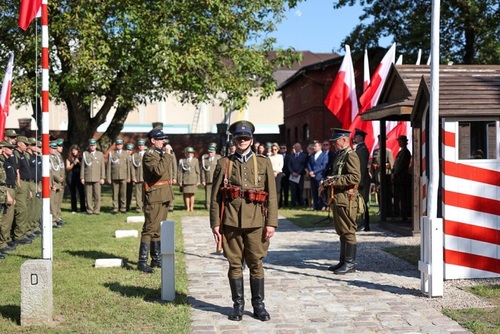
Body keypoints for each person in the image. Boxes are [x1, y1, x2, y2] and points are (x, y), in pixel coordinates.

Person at [210, 120, 278, 322]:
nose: (242, 140)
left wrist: (271, 223)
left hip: (257, 222)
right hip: (231, 222)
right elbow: (215, 197)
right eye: (239, 137)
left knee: (256, 263)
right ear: (234, 139)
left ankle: (259, 306)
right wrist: (215, 223)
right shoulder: (224, 163)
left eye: (246, 137)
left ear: (252, 139)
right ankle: (238, 306)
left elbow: (272, 195)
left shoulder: (264, 162)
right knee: (234, 264)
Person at [137, 127, 174, 273]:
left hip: (164, 194)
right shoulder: (149, 155)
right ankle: (142, 261)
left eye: (164, 139)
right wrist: (167, 155)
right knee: (149, 228)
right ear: (153, 141)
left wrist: (166, 155)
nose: (163, 142)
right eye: (160, 139)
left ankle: (156, 258)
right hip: (154, 195)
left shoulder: (160, 154)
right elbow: (158, 171)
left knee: (159, 229)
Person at [324, 128, 361, 275]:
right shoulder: (341, 155)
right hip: (339, 198)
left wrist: (333, 181)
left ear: (344, 140)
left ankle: (350, 264)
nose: (333, 144)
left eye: (336, 141)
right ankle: (343, 261)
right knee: (341, 231)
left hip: (347, 198)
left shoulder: (350, 155)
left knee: (348, 230)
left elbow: (355, 177)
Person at [12, 136, 34, 244]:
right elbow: (17, 170)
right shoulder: (16, 154)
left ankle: (23, 233)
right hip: (21, 184)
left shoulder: (23, 155)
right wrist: (19, 184)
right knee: (21, 210)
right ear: (20, 144)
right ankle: (19, 236)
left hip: (27, 183)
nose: (27, 146)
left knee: (26, 209)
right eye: (25, 144)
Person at [0, 140, 16, 258]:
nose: (12, 150)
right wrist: (8, 195)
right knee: (3, 220)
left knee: (5, 219)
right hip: (3, 193)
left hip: (4, 192)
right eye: (9, 148)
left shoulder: (5, 161)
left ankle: (2, 243)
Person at [81, 139, 105, 215]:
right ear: (89, 146)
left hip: (97, 177)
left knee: (97, 194)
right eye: (91, 145)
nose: (92, 147)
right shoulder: (85, 154)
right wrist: (82, 177)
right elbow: (82, 166)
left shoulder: (100, 154)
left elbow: (102, 167)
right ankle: (89, 209)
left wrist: (102, 177)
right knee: (88, 195)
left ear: (96, 146)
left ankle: (97, 209)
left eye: (93, 145)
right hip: (88, 177)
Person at [371, 135, 394, 215]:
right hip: (377, 176)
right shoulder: (376, 151)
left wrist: (379, 166)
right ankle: (380, 209)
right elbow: (372, 164)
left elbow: (391, 164)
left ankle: (386, 210)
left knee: (385, 194)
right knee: (378, 194)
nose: (381, 143)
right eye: (379, 141)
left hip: (385, 176)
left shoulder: (388, 151)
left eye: (382, 141)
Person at [353, 129, 371, 231]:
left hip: (362, 180)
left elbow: (362, 167)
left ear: (360, 138)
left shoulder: (362, 149)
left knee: (363, 202)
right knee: (359, 202)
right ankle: (362, 223)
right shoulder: (359, 148)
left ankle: (365, 224)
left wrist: (360, 182)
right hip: (360, 179)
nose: (354, 138)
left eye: (356, 136)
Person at [107, 138, 130, 213]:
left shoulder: (126, 153)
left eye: (120, 144)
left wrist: (128, 177)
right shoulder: (111, 153)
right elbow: (109, 166)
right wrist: (108, 177)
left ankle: (123, 207)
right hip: (114, 176)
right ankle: (115, 208)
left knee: (123, 193)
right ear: (115, 145)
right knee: (115, 193)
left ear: (122, 145)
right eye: (117, 144)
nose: (119, 146)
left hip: (123, 176)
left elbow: (128, 166)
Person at [392, 135, 412, 221]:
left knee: (404, 197)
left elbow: (401, 165)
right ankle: (400, 213)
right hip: (399, 177)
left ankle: (404, 215)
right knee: (399, 196)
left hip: (402, 177)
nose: (399, 143)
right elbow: (396, 164)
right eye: (399, 141)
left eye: (401, 141)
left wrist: (395, 173)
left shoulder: (406, 152)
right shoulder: (400, 152)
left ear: (405, 142)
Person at [307, 140, 329, 211]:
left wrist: (314, 172)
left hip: (319, 176)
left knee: (320, 192)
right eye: (314, 146)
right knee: (314, 192)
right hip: (312, 176)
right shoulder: (312, 155)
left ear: (320, 147)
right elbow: (309, 164)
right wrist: (310, 172)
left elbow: (323, 166)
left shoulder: (324, 155)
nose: (314, 147)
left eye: (315, 146)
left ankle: (321, 205)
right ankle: (315, 206)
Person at [177, 147, 200, 211]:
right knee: (186, 194)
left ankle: (192, 207)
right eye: (188, 153)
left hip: (193, 180)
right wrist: (180, 180)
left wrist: (198, 180)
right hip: (185, 180)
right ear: (186, 153)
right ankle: (187, 207)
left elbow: (197, 171)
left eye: (191, 153)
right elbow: (180, 172)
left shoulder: (195, 160)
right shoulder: (182, 161)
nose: (190, 154)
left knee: (192, 194)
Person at [66, 144, 86, 213]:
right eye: (73, 150)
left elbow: (83, 167)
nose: (74, 152)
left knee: (81, 192)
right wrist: (73, 163)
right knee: (73, 193)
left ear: (78, 151)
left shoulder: (81, 157)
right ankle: (74, 208)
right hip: (71, 176)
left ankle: (83, 208)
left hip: (79, 176)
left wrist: (79, 162)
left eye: (75, 150)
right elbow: (67, 168)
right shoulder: (69, 158)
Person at [200, 143, 221, 209]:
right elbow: (203, 170)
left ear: (215, 152)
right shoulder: (205, 159)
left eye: (212, 152)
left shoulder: (218, 158)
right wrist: (203, 180)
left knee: (216, 193)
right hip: (208, 179)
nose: (210, 154)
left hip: (216, 179)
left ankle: (215, 205)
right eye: (209, 152)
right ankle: (208, 206)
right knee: (208, 194)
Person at [49, 141, 64, 228]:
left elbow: (59, 169)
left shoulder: (56, 157)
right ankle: (53, 220)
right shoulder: (49, 158)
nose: (55, 150)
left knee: (57, 202)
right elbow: (51, 171)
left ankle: (57, 217)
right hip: (54, 182)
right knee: (52, 203)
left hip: (58, 182)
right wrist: (58, 178)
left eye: (55, 148)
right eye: (53, 148)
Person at [288, 142, 307, 207]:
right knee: (293, 189)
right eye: (295, 147)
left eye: (298, 146)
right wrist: (292, 172)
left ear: (300, 147)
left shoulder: (304, 155)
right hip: (292, 175)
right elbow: (289, 165)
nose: (297, 148)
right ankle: (293, 203)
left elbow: (303, 165)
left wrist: (298, 173)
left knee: (300, 189)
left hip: (300, 175)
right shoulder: (291, 156)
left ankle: (301, 202)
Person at [131, 139, 146, 212]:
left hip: (146, 178)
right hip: (138, 177)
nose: (141, 146)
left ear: (144, 146)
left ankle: (145, 207)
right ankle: (139, 208)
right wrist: (133, 177)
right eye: (139, 145)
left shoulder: (147, 154)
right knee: (138, 193)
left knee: (146, 193)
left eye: (142, 145)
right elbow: (133, 167)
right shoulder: (134, 155)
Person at [125, 143, 135, 212]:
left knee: (129, 193)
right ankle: (121, 206)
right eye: (128, 149)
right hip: (123, 177)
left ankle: (128, 206)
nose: (129, 151)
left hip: (130, 178)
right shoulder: (123, 157)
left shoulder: (133, 158)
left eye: (130, 150)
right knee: (122, 193)